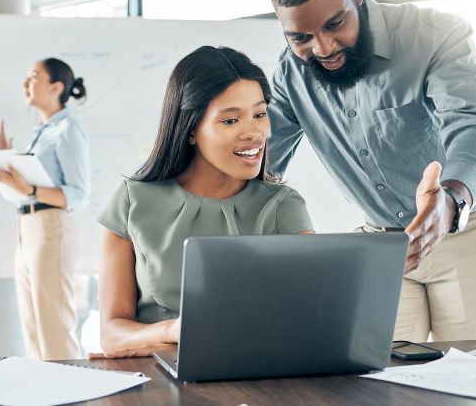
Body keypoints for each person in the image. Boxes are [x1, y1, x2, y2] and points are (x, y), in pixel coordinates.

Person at [267, 0, 476, 342]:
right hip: (380, 246)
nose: (324, 47)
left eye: (334, 24)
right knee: (385, 381)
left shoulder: (434, 34)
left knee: (468, 380)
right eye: (301, 38)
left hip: (464, 234)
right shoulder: (290, 75)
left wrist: (449, 202)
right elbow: (259, 162)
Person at [93, 46, 314, 359]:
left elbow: (310, 321)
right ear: (191, 129)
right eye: (230, 120)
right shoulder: (132, 201)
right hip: (155, 382)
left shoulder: (284, 207)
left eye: (259, 114)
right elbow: (112, 334)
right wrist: (173, 330)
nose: (253, 133)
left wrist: (149, 342)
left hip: (253, 376)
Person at [0, 58, 90, 360]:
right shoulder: (41, 131)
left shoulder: (67, 129)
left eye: (33, 77)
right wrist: (6, 158)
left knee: (55, 328)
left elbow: (79, 194)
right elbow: (23, 191)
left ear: (56, 87)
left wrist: (29, 189)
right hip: (28, 227)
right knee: (33, 329)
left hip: (52, 228)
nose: (25, 83)